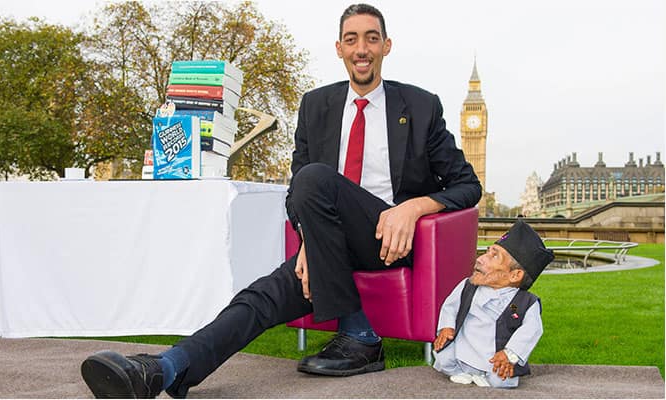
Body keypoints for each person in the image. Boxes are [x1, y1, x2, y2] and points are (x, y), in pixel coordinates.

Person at [80, 3, 482, 398]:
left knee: (315, 178)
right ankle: (162, 371)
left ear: (386, 46)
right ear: (339, 48)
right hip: (330, 244)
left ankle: (358, 334)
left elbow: (467, 185)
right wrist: (311, 240)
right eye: (352, 39)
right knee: (259, 297)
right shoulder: (316, 106)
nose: (362, 48)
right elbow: (297, 198)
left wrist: (413, 208)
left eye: (371, 39)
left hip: (388, 241)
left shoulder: (420, 106)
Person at [432, 219, 554, 388]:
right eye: (487, 252)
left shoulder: (520, 303)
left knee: (502, 379)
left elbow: (532, 329)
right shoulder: (468, 286)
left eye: (494, 256)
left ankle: (486, 376)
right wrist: (446, 327)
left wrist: (510, 354)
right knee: (444, 358)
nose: (481, 258)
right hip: (463, 349)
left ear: (514, 275)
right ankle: (460, 372)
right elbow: (450, 306)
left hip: (493, 357)